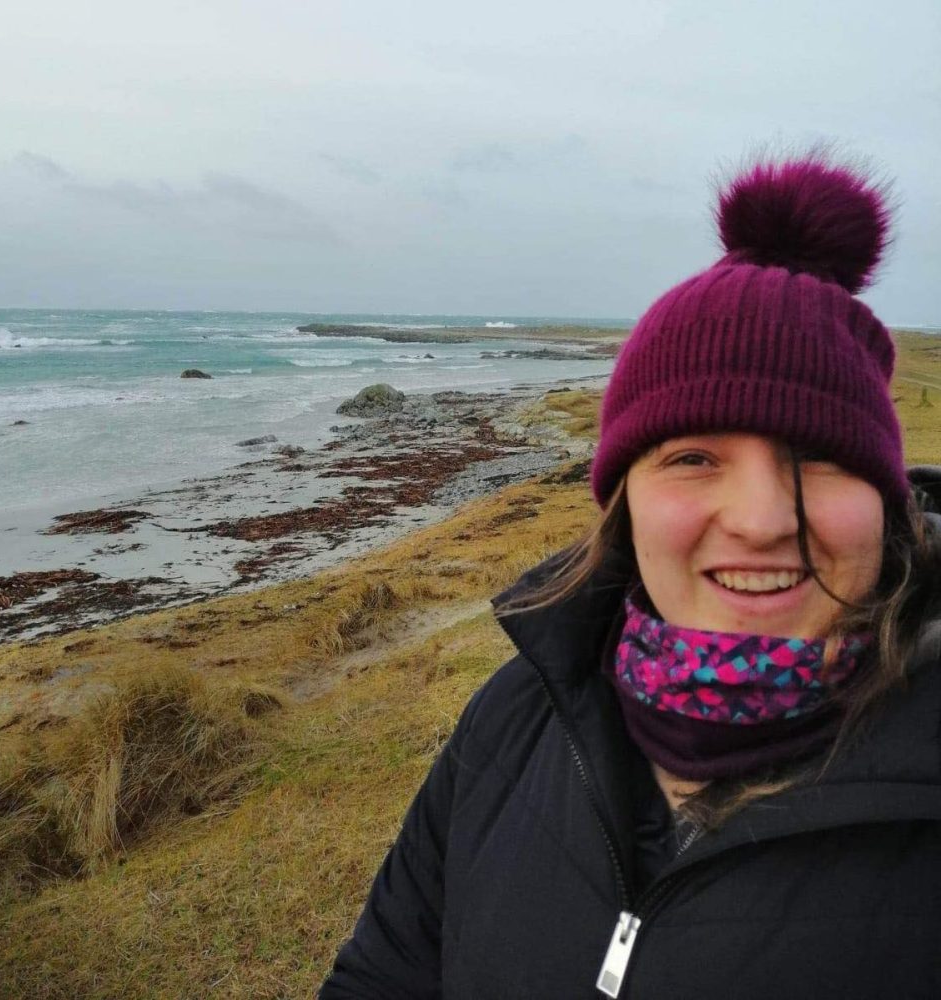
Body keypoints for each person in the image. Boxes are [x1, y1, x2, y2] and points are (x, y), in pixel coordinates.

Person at [320, 153, 941, 999]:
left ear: (886, 499)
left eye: (819, 458)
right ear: (624, 503)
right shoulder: (513, 720)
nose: (760, 520)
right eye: (692, 457)